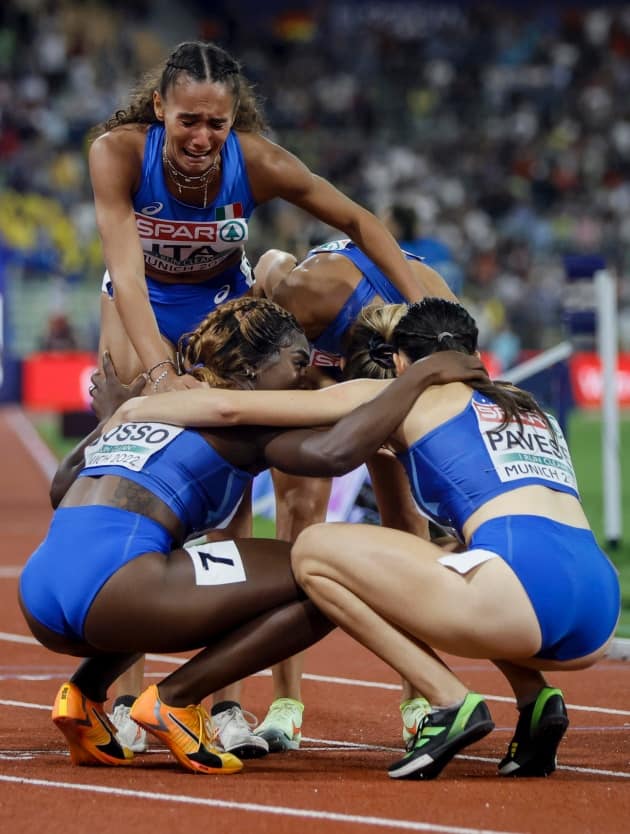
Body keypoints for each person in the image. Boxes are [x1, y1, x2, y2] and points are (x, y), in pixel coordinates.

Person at [90, 38, 430, 737]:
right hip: (138, 307)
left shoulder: (258, 161)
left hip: (219, 312)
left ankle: (223, 701)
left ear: (233, 119)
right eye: (187, 120)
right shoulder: (118, 153)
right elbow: (126, 275)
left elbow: (360, 221)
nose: (201, 137)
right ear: (160, 108)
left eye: (216, 123)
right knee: (129, 479)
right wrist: (157, 378)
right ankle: (122, 699)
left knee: (229, 490)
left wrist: (422, 312)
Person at [19, 297, 487, 776]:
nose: (304, 379)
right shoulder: (242, 423)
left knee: (184, 560)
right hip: (116, 590)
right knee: (328, 576)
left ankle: (84, 696)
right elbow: (333, 455)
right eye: (296, 363)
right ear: (249, 369)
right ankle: (174, 701)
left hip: (41, 596)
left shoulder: (148, 410)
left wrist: (109, 426)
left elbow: (61, 487)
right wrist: (415, 379)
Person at [288, 297, 621, 780]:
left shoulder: (411, 398)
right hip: (596, 610)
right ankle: (535, 697)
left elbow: (247, 411)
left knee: (314, 552)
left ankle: (448, 701)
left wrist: (155, 395)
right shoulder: (524, 403)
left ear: (400, 361)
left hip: (518, 597)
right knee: (458, 556)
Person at [250, 240, 458, 750]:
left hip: (390, 382)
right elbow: (269, 265)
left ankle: (419, 700)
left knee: (410, 527)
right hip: (310, 377)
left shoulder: (444, 330)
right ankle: (285, 704)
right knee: (298, 524)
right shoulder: (306, 293)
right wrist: (320, 385)